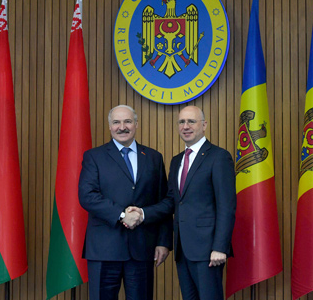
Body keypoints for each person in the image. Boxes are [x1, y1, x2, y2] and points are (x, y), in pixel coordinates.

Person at [129, 105, 236, 300]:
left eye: (191, 121)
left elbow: (226, 206)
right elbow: (171, 201)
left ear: (204, 125)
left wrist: (220, 247)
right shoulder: (177, 160)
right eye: (181, 122)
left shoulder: (219, 157)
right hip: (183, 250)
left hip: (208, 250)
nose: (186, 126)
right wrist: (143, 213)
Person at [78, 105, 172, 300]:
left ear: (136, 124)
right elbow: (87, 195)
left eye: (127, 121)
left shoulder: (154, 157)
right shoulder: (94, 156)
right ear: (110, 126)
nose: (122, 127)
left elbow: (164, 201)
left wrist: (163, 242)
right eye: (116, 122)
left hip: (142, 249)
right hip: (104, 249)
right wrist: (123, 215)